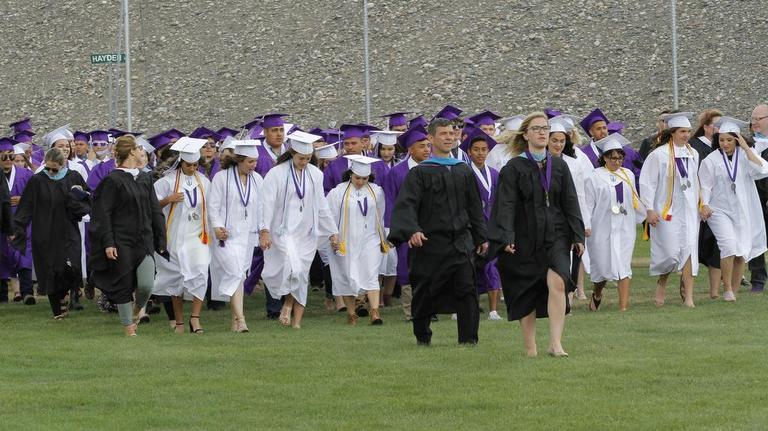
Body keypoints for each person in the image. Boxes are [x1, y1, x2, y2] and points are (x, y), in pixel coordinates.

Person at [487, 112, 584, 357]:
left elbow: (570, 201)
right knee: (526, 288)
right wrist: (506, 236)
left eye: (545, 128)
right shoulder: (514, 168)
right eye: (537, 129)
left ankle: (556, 343)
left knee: (559, 281)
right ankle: (531, 347)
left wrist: (577, 235)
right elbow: (505, 205)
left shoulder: (559, 165)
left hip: (556, 234)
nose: (542, 132)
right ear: (526, 134)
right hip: (524, 236)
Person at [388, 118, 487, 346]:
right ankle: (423, 337)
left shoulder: (463, 170)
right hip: (429, 243)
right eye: (443, 134)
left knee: (466, 289)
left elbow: (474, 206)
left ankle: (469, 339)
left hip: (460, 241)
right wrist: (412, 229)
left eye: (452, 134)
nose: (449, 137)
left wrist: (481, 236)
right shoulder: (419, 172)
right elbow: (406, 205)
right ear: (431, 139)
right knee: (424, 291)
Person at [89, 135, 167, 336]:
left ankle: (136, 310)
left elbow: (154, 209)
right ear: (132, 151)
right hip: (121, 241)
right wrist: (108, 242)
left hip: (144, 240)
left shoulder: (144, 178)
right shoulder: (112, 180)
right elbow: (104, 214)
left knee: (146, 284)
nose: (141, 151)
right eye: (138, 148)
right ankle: (128, 327)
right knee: (123, 283)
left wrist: (161, 237)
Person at [260, 131, 338, 329]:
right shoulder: (276, 174)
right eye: (301, 158)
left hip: (306, 232)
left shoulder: (316, 174)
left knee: (301, 273)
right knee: (290, 267)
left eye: (308, 158)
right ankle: (286, 304)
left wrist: (332, 231)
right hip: (282, 231)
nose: (304, 162)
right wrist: (264, 229)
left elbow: (321, 205)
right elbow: (266, 204)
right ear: (292, 153)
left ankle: (294, 319)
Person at [13, 148, 89, 318]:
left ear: (63, 165)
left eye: (54, 169)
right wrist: (17, 229)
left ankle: (67, 294)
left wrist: (76, 205)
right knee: (50, 270)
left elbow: (86, 201)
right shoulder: (37, 181)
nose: (50, 172)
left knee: (71, 267)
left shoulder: (73, 178)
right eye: (48, 168)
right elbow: (25, 207)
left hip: (68, 231)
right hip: (45, 233)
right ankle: (58, 310)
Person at [699, 117, 768, 302]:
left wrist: (746, 147)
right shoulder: (711, 160)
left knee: (742, 251)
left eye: (729, 140)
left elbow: (762, 169)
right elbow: (705, 185)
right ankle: (727, 288)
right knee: (728, 245)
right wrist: (704, 204)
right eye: (722, 140)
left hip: (742, 209)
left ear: (736, 139)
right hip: (718, 209)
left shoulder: (745, 155)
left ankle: (734, 292)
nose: (725, 144)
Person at [639, 112, 699, 308]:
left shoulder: (693, 154)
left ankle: (689, 297)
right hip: (666, 211)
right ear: (672, 132)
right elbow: (647, 182)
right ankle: (662, 283)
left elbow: (696, 183)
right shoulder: (659, 155)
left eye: (688, 131)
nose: (686, 135)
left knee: (689, 250)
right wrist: (648, 209)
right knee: (670, 253)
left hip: (689, 211)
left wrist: (701, 203)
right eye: (682, 131)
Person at [153, 137, 211, 333]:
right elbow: (151, 207)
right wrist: (168, 200)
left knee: (201, 271)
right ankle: (178, 322)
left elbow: (210, 208)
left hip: (197, 236)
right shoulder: (166, 182)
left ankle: (195, 318)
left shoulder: (204, 181)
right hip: (175, 236)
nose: (192, 168)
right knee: (176, 278)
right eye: (189, 165)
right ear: (180, 162)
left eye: (195, 165)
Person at [584, 133, 645, 311]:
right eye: (613, 158)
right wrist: (586, 225)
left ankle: (623, 308)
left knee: (623, 265)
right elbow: (588, 204)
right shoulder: (594, 176)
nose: (617, 162)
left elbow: (634, 198)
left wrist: (647, 214)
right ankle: (597, 293)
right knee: (602, 269)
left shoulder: (627, 175)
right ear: (604, 158)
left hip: (624, 226)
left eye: (620, 158)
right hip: (601, 227)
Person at [209, 139, 264, 333]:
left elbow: (261, 207)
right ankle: (241, 320)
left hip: (247, 235)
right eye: (250, 162)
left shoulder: (257, 179)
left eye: (255, 162)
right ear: (239, 160)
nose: (254, 166)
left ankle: (235, 319)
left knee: (239, 275)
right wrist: (217, 227)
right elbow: (213, 205)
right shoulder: (221, 178)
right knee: (234, 272)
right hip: (226, 235)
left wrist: (263, 230)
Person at [327, 155, 388, 325]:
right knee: (346, 275)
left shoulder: (376, 190)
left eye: (365, 178)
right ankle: (351, 313)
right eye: (357, 178)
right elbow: (329, 216)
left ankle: (374, 312)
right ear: (350, 174)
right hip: (346, 240)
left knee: (371, 272)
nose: (361, 181)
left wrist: (382, 236)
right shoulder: (338, 192)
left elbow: (380, 214)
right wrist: (333, 235)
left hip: (370, 238)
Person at [382, 125, 432, 320]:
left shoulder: (434, 167)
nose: (427, 149)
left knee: (431, 267)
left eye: (428, 146)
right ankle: (410, 310)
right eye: (422, 146)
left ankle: (430, 308)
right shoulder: (397, 172)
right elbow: (390, 201)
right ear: (410, 149)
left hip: (431, 227)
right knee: (407, 268)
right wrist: (394, 229)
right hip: (407, 229)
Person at [460, 128, 503, 320]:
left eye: (484, 149)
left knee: (492, 267)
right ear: (469, 152)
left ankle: (493, 310)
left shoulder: (494, 174)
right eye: (476, 149)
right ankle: (469, 307)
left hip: (492, 227)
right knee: (469, 269)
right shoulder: (464, 173)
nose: (480, 153)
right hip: (471, 228)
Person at [547, 117, 592, 302]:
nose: (558, 145)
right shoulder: (539, 163)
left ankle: (567, 300)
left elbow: (580, 196)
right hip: (545, 217)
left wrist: (585, 223)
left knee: (571, 259)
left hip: (567, 218)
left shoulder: (573, 164)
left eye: (562, 141)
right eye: (554, 140)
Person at [688, 109, 724, 297]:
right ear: (705, 127)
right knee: (694, 246)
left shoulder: (724, 146)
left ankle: (715, 290)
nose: (719, 129)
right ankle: (686, 286)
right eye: (716, 125)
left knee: (716, 247)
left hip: (719, 204)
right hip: (698, 203)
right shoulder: (694, 147)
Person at [0, 138, 34, 305]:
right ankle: (2, 295)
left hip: (22, 222)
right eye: (3, 156)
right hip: (1, 222)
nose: (7, 160)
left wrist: (22, 199)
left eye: (10, 156)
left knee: (24, 254)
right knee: (2, 256)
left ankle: (27, 292)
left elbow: (36, 196)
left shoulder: (26, 175)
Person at [748, 104, 768, 293]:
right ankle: (758, 280)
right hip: (753, 200)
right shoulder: (749, 144)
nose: (754, 123)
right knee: (755, 240)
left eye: (758, 119)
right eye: (752, 119)